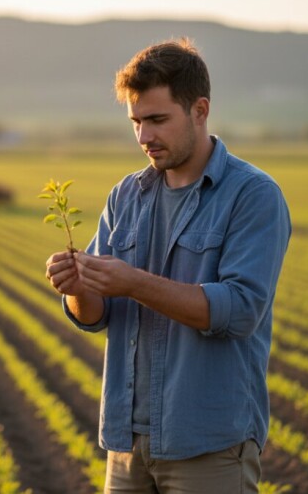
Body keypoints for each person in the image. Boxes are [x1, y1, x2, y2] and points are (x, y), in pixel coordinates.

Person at [45, 38, 291, 493]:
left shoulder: (253, 195)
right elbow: (96, 317)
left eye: (157, 120)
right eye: (136, 122)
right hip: (127, 441)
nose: (144, 137)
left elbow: (237, 310)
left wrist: (134, 282)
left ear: (200, 110)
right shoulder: (126, 195)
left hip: (208, 444)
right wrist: (76, 286)